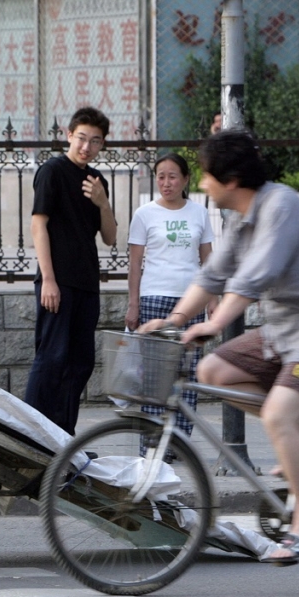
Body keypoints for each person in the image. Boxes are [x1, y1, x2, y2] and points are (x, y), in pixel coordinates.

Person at [141, 130, 299, 565]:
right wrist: (175, 321)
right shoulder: (240, 218)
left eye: (207, 176)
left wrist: (215, 324)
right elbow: (213, 275)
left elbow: (255, 277)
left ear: (231, 179)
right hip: (283, 333)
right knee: (213, 374)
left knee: (279, 415)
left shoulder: (280, 206)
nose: (202, 184)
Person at [24, 106, 116, 435]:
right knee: (51, 358)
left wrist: (103, 203)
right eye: (81, 138)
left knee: (80, 363)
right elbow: (39, 226)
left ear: (102, 144)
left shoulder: (97, 182)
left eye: (95, 141)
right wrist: (48, 279)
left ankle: (64, 439)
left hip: (87, 284)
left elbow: (110, 236)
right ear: (68, 135)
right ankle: (30, 435)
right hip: (57, 282)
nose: (86, 147)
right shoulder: (52, 171)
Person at [126, 153, 214, 435]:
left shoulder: (198, 212)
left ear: (186, 179)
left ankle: (180, 439)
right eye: (161, 176)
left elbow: (208, 259)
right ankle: (152, 438)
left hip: (191, 300)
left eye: (172, 176)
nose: (166, 182)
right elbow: (135, 264)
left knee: (188, 372)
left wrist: (213, 298)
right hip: (154, 299)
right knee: (154, 374)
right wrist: (133, 304)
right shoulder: (144, 214)